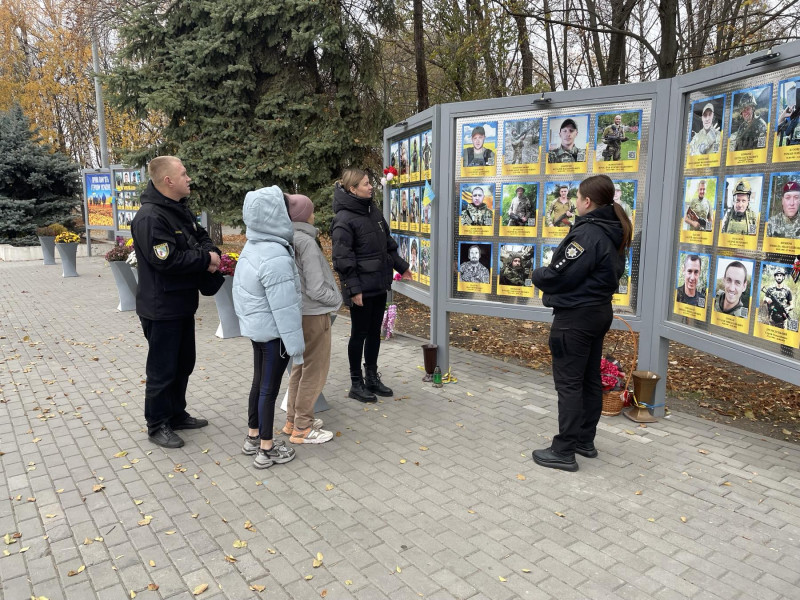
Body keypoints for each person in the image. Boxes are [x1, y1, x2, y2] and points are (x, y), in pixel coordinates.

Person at [530, 174, 632, 472]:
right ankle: (584, 440)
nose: (575, 203)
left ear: (587, 201)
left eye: (578, 198)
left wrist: (538, 275)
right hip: (597, 312)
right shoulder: (613, 229)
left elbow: (560, 275)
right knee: (587, 378)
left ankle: (564, 450)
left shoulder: (589, 234)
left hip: (576, 317)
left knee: (570, 383)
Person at [130, 156, 219, 449]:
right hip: (161, 308)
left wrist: (210, 252)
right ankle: (157, 425)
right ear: (168, 180)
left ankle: (176, 414)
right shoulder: (150, 217)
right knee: (162, 369)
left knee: (183, 364)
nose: (189, 177)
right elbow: (165, 260)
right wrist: (206, 259)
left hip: (181, 304)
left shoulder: (178, 209)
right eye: (184, 173)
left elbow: (201, 237)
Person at [233, 186, 304, 468]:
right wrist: (295, 346)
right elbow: (285, 309)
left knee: (258, 383)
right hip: (274, 334)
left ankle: (253, 436)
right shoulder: (275, 255)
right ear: (275, 215)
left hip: (257, 329)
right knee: (269, 389)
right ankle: (266, 448)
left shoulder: (252, 246)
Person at [332, 169, 412, 403]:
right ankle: (356, 383)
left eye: (370, 183)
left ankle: (372, 378)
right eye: (366, 184)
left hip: (378, 283)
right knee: (359, 334)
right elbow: (342, 259)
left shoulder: (372, 211)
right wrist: (354, 289)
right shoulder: (343, 219)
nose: (370, 187)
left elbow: (387, 245)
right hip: (361, 289)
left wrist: (401, 266)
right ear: (352, 189)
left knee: (374, 334)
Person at [277, 194, 340, 444]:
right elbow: (315, 287)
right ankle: (303, 426)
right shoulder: (306, 242)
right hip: (314, 314)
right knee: (315, 370)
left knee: (299, 367)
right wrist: (336, 301)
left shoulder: (288, 239)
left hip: (297, 312)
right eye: (311, 210)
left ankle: (292, 420)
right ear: (305, 215)